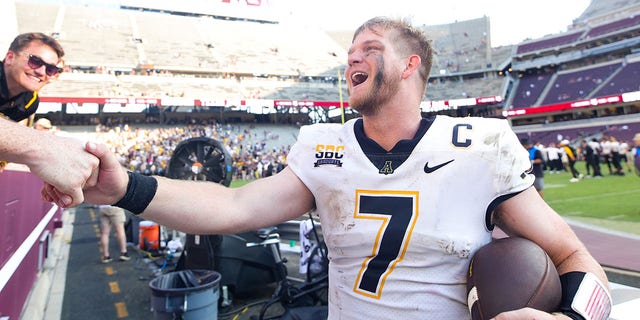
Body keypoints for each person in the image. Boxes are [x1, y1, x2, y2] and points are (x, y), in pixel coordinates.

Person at [45, 17, 611, 320]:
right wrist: (127, 188)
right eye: (350, 52)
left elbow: (572, 257)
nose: (352, 58)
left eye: (369, 47)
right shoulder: (323, 145)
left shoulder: (479, 146)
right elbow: (235, 206)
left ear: (412, 64)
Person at [0, 32, 99, 206]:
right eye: (35, 61)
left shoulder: (30, 103)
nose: (41, 72)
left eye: (51, 69)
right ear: (9, 58)